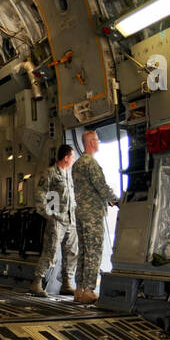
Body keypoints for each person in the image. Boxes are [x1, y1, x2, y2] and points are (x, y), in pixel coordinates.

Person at [71, 130, 119, 304]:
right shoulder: (91, 163)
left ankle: (78, 289)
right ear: (91, 143)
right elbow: (101, 187)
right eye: (97, 140)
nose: (98, 143)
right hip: (92, 215)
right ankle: (89, 290)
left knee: (83, 251)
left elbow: (87, 189)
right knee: (94, 252)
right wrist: (117, 200)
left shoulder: (76, 164)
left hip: (81, 213)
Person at [28, 145, 77, 298]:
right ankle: (37, 282)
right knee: (51, 252)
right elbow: (41, 193)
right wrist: (48, 214)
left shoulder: (70, 174)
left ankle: (67, 283)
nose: (74, 159)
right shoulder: (50, 173)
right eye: (72, 156)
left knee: (72, 252)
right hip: (57, 220)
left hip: (71, 219)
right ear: (66, 157)